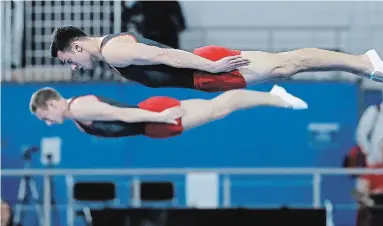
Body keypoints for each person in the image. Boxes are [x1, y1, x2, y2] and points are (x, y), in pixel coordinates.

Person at [50, 26, 383, 93]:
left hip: (206, 70)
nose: (72, 66)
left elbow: (160, 53)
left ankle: (362, 61)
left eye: (68, 59)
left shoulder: (112, 50)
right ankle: (361, 62)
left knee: (288, 63)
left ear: (77, 47)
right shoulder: (112, 47)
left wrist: (209, 67)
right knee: (287, 65)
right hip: (204, 72)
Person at [29, 85, 306, 138]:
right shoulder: (78, 116)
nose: (48, 124)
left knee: (220, 108)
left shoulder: (79, 108)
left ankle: (274, 97)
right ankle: (273, 97)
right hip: (152, 120)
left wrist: (159, 117)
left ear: (52, 104)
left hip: (154, 117)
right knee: (218, 107)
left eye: (45, 118)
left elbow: (123, 115)